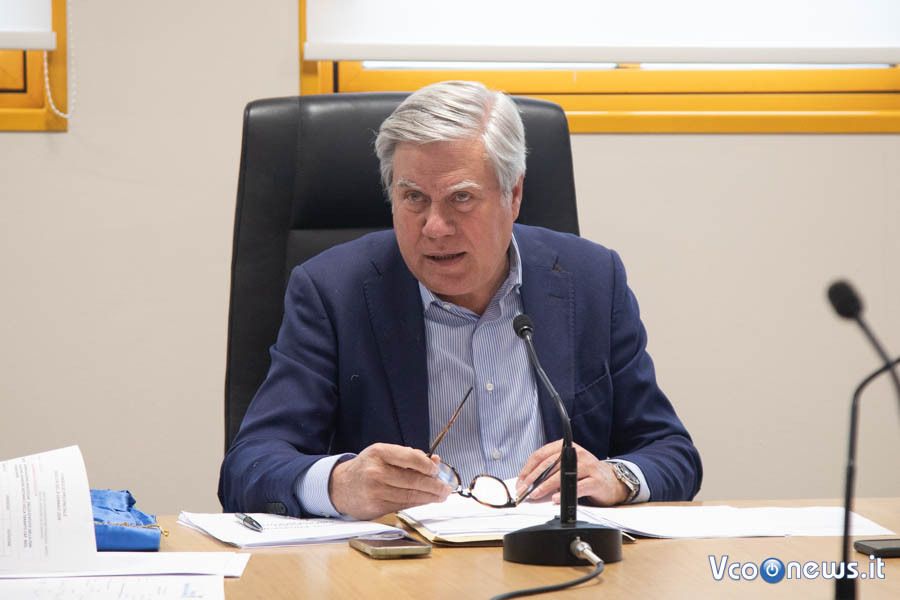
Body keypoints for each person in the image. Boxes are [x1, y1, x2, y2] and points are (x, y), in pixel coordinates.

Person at [218, 81, 702, 521]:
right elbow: (248, 467)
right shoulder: (332, 292)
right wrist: (340, 484)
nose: (434, 227)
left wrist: (615, 478)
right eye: (413, 198)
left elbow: (670, 451)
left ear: (513, 195)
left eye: (461, 198)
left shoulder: (591, 280)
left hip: (553, 558)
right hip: (404, 570)